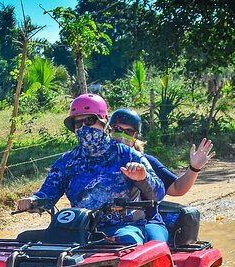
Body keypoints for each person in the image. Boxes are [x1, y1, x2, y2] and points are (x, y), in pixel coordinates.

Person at [17, 94, 165, 245]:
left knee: (125, 244)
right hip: (78, 228)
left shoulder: (128, 155)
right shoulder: (67, 161)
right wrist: (34, 201)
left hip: (123, 227)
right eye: (77, 123)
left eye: (89, 120)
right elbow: (48, 193)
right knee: (24, 242)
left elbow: (158, 193)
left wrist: (143, 178)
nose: (83, 127)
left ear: (104, 123)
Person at [108, 108, 214, 242]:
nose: (122, 135)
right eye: (117, 129)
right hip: (103, 223)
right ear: (110, 131)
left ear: (135, 137)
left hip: (145, 221)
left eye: (128, 131)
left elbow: (177, 188)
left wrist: (194, 168)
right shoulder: (92, 163)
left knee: (156, 248)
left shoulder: (144, 161)